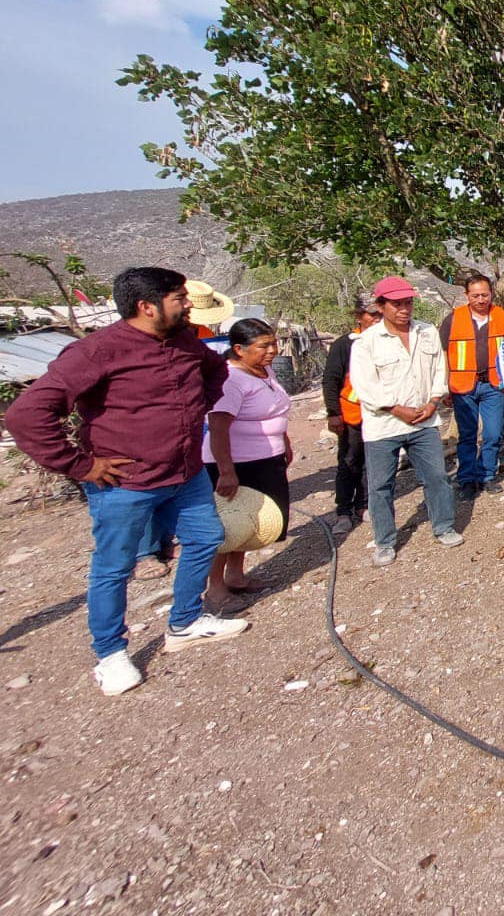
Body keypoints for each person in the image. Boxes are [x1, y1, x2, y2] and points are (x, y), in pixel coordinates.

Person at [6, 267, 249, 696]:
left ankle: (185, 622)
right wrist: (81, 466)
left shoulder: (185, 342)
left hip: (186, 474)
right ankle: (111, 654)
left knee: (206, 537)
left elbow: (216, 371)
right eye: (179, 297)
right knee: (115, 567)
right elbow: (25, 416)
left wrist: (195, 410)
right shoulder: (97, 352)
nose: (188, 304)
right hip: (125, 484)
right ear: (146, 305)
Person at [350, 275, 461, 565]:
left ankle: (443, 526)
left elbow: (439, 368)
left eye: (408, 303)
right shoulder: (366, 343)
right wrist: (395, 408)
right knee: (381, 486)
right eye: (397, 304)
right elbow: (364, 386)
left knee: (437, 477)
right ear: (381, 306)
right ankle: (385, 541)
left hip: (424, 420)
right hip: (384, 425)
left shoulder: (426, 332)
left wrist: (434, 400)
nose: (404, 309)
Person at [133, 281, 234, 579]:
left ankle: (177, 539)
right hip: (153, 430)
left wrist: (204, 404)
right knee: (150, 487)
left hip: (194, 424)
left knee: (186, 482)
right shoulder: (146, 341)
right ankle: (147, 550)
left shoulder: (201, 339)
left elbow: (217, 374)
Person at [202, 318, 293, 610]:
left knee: (247, 520)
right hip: (236, 462)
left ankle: (236, 576)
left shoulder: (263, 371)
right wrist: (226, 471)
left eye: (274, 343)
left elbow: (276, 411)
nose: (272, 351)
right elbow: (217, 427)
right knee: (225, 526)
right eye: (263, 346)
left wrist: (285, 442)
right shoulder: (230, 380)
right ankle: (214, 589)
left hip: (265, 458)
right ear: (239, 349)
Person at [439, 274, 504, 499]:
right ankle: (467, 478)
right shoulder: (453, 319)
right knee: (468, 435)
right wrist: (445, 388)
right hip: (463, 387)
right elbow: (443, 355)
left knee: (492, 433)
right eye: (475, 295)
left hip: (494, 384)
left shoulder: (502, 315)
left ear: (491, 293)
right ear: (466, 296)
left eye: (485, 295)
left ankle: (488, 475)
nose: (481, 300)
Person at [321, 295, 382, 534]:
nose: (376, 319)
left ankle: (364, 505)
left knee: (373, 460)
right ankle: (343, 510)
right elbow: (331, 379)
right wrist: (333, 413)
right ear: (359, 316)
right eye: (371, 315)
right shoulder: (345, 344)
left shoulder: (387, 340)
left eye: (379, 314)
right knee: (349, 461)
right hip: (352, 412)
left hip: (378, 412)